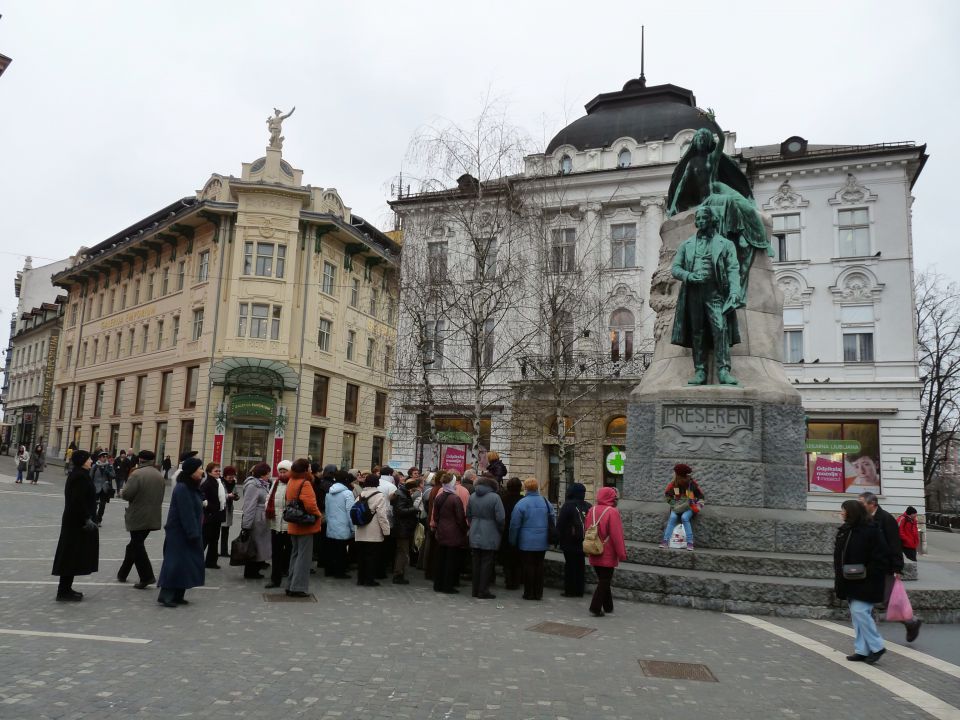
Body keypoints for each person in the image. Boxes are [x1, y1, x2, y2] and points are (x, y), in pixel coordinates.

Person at [670, 205, 743, 386]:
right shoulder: (686, 245)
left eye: (705, 218)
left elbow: (733, 269)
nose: (701, 222)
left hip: (715, 292)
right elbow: (675, 269)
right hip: (694, 293)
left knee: (721, 330)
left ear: (712, 220)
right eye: (699, 219)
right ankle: (700, 370)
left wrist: (734, 292)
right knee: (697, 332)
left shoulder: (725, 244)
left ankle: (724, 370)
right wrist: (689, 276)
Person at [858, 492, 922, 642]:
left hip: (885, 567)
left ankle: (911, 622)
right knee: (866, 598)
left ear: (872, 504)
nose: (859, 506)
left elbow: (895, 544)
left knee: (888, 600)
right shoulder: (863, 519)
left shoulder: (886, 519)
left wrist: (897, 568)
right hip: (869, 566)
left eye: (862, 503)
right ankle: (869, 632)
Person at [834, 499, 888, 663]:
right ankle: (862, 650)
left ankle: (877, 646)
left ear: (852, 513)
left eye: (844, 510)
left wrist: (867, 571)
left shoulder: (870, 530)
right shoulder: (846, 530)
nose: (842, 513)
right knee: (857, 616)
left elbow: (881, 555)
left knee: (859, 612)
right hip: (850, 578)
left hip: (867, 580)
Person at [157, 456, 205, 608]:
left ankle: (178, 594)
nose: (202, 471)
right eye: (200, 468)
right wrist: (193, 533)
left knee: (186, 564)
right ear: (192, 471)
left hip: (188, 532)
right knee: (174, 564)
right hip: (180, 533)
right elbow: (186, 513)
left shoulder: (191, 486)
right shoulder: (183, 488)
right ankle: (166, 595)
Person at [51, 450, 99, 601]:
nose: (91, 461)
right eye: (89, 459)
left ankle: (66, 588)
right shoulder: (80, 476)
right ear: (82, 461)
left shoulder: (80, 474)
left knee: (72, 555)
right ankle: (63, 591)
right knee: (70, 555)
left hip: (75, 522)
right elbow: (77, 501)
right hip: (77, 523)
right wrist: (87, 518)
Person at [117, 450, 165, 589]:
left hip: (138, 515)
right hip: (153, 515)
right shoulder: (158, 475)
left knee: (137, 546)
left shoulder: (137, 474)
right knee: (133, 545)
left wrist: (121, 492)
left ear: (140, 460)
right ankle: (123, 573)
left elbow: (127, 494)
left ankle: (146, 576)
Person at [508, 477, 555, 601]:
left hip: (526, 541)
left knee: (528, 566)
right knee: (539, 565)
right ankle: (538, 593)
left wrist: (512, 540)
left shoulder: (522, 503)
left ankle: (529, 593)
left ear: (526, 488)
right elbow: (552, 518)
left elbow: (515, 524)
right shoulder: (545, 501)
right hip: (542, 540)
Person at [284, 458, 322, 598]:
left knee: (295, 554)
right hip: (305, 523)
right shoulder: (305, 483)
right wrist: (318, 515)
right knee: (304, 557)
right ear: (305, 469)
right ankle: (298, 587)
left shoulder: (291, 481)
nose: (311, 470)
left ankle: (290, 585)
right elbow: (310, 504)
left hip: (294, 522)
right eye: (310, 468)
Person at [586, 486, 627, 617]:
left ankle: (608, 606)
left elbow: (587, 529)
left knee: (603, 579)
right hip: (607, 551)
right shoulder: (612, 512)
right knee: (605, 580)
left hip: (594, 548)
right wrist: (621, 553)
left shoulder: (592, 509)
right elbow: (617, 535)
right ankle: (595, 607)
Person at [466, 473, 505, 599]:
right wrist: (500, 530)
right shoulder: (495, 498)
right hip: (490, 532)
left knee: (476, 562)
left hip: (475, 530)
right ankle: (483, 590)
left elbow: (468, 514)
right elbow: (501, 518)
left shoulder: (472, 496)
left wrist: (473, 524)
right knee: (487, 563)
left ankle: (475, 589)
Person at [433, 471, 468, 594]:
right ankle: (448, 585)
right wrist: (464, 530)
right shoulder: (455, 498)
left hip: (441, 531)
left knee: (441, 559)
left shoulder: (439, 497)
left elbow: (436, 516)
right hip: (453, 533)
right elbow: (460, 518)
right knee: (451, 561)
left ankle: (438, 584)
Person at [556, 482, 591, 598]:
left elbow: (560, 524)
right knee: (580, 565)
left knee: (570, 565)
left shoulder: (568, 505)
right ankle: (579, 590)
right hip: (584, 540)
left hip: (569, 541)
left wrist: (557, 539)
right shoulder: (588, 505)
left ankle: (570, 590)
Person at [355, 473, 390, 587]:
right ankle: (369, 580)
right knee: (372, 557)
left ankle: (360, 579)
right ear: (377, 482)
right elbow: (382, 515)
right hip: (373, 531)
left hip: (360, 530)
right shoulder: (379, 496)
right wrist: (386, 531)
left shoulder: (361, 494)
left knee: (361, 556)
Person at [659, 464, 704, 550]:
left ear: (679, 475)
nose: (674, 475)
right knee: (672, 517)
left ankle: (690, 542)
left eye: (675, 473)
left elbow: (701, 497)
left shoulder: (692, 484)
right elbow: (667, 495)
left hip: (689, 507)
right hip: (677, 507)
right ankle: (665, 541)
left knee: (684, 517)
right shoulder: (674, 484)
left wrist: (696, 507)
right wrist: (674, 504)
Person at [240, 463, 272, 580]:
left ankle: (255, 569)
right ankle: (250, 572)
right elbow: (249, 506)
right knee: (253, 546)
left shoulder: (262, 484)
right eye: (268, 472)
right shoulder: (253, 485)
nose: (269, 475)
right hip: (256, 520)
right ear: (262, 474)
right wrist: (246, 526)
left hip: (261, 520)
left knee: (259, 546)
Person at [264, 460, 292, 589]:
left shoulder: (293, 483)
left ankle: (290, 578)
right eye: (280, 471)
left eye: (284, 471)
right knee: (276, 553)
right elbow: (268, 498)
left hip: (289, 524)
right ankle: (275, 579)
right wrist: (268, 509)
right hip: (275, 524)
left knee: (290, 552)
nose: (282, 474)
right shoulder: (275, 483)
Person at [324, 470, 355, 579]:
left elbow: (327, 510)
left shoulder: (329, 492)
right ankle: (339, 572)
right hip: (343, 525)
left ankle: (329, 570)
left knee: (331, 549)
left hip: (331, 525)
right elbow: (350, 512)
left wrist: (328, 522)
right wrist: (353, 528)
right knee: (341, 550)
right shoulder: (348, 493)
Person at [391, 476, 419, 584]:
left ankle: (399, 573)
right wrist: (414, 509)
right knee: (403, 552)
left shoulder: (401, 493)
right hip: (402, 528)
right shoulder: (402, 495)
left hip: (402, 527)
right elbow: (400, 510)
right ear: (411, 489)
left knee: (401, 551)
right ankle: (398, 574)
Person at [199, 463, 225, 569]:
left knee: (214, 539)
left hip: (216, 515)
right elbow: (202, 497)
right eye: (216, 471)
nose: (218, 473)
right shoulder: (207, 483)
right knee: (205, 540)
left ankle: (211, 562)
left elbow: (220, 498)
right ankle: (195, 560)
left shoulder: (218, 482)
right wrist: (210, 506)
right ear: (209, 472)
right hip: (210, 516)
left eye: (219, 471)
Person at [499, 477, 523, 590]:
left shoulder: (503, 499)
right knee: (518, 558)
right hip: (520, 533)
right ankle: (516, 581)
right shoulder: (522, 500)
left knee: (507, 558)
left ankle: (509, 581)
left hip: (505, 532)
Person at [91, 450, 116, 526]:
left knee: (102, 505)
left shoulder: (109, 466)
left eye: (105, 457)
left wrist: (108, 471)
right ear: (99, 458)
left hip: (105, 488)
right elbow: (90, 477)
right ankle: (94, 518)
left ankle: (99, 520)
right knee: (94, 505)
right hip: (96, 488)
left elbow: (114, 475)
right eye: (103, 457)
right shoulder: (95, 466)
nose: (105, 458)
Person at [219, 466, 240, 557]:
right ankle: (214, 551)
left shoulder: (233, 483)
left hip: (229, 509)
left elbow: (236, 494)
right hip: (221, 509)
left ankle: (224, 551)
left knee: (225, 531)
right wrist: (228, 496)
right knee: (215, 533)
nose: (231, 478)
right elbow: (219, 495)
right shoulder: (220, 483)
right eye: (229, 477)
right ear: (225, 476)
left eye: (233, 476)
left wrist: (236, 497)